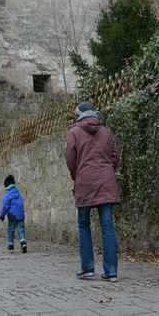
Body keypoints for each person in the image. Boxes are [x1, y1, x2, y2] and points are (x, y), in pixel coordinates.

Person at [66, 101, 121, 282]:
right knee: (108, 227)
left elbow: (70, 160)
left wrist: (77, 176)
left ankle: (88, 269)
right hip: (106, 183)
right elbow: (115, 157)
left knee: (83, 225)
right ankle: (111, 272)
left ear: (79, 114)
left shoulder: (74, 132)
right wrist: (106, 171)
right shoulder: (107, 132)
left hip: (85, 183)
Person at [0, 174, 27, 253]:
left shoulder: (7, 195)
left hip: (12, 215)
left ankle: (11, 245)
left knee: (11, 230)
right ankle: (23, 242)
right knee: (21, 229)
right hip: (21, 214)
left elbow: (5, 207)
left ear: (6, 185)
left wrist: (2, 215)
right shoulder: (18, 193)